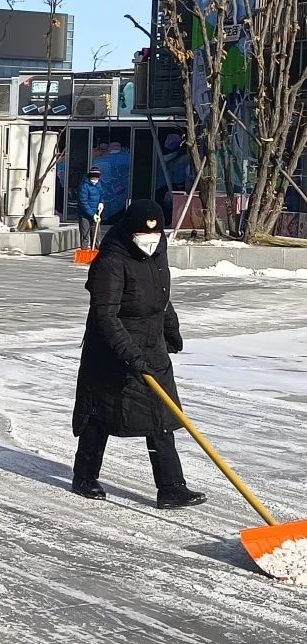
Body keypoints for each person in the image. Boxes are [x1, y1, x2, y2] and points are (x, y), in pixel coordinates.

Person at [71, 199, 207, 510]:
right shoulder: (111, 261)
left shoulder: (158, 253)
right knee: (100, 414)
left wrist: (171, 331)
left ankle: (172, 487)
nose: (150, 240)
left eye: (157, 234)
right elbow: (105, 315)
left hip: (151, 344)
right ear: (129, 232)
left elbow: (161, 298)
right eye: (143, 235)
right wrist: (129, 354)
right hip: (112, 350)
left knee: (162, 415)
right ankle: (85, 475)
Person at [78, 166, 106, 248]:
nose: (95, 181)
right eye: (93, 179)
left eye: (96, 179)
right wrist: (92, 215)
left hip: (96, 213)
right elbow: (83, 203)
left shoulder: (99, 184)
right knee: (85, 235)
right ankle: (84, 252)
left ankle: (96, 252)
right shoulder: (84, 186)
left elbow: (102, 195)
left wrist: (101, 202)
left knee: (96, 235)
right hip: (84, 215)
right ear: (90, 177)